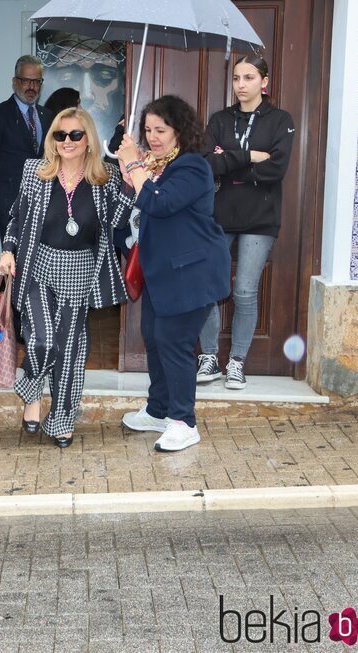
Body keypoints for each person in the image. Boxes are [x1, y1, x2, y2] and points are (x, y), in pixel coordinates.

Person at [0, 108, 134, 447]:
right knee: (43, 340)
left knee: (70, 349)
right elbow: (16, 217)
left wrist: (130, 182)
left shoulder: (105, 179)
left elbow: (116, 221)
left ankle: (61, 418)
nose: (67, 142)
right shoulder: (35, 171)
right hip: (39, 266)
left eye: (75, 135)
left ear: (89, 140)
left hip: (80, 270)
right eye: (60, 135)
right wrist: (7, 250)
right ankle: (31, 392)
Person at [116, 96, 231, 452]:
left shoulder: (193, 167)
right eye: (148, 129)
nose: (153, 137)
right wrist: (133, 172)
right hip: (160, 272)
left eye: (160, 130)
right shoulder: (156, 165)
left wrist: (135, 167)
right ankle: (158, 410)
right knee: (153, 337)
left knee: (176, 344)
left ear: (179, 131)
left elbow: (161, 203)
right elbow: (142, 204)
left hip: (191, 273)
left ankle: (184, 421)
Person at [197, 54, 295, 390]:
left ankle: (236, 362)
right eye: (237, 78)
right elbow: (208, 163)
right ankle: (208, 357)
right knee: (207, 287)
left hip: (260, 218)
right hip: (220, 215)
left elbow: (277, 169)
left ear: (264, 82)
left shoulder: (281, 120)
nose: (241, 85)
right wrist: (251, 157)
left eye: (249, 78)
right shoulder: (220, 119)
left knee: (244, 290)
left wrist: (231, 163)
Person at [0, 55, 54, 240]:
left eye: (36, 81)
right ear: (15, 81)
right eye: (26, 80)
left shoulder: (48, 116)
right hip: (8, 202)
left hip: (42, 202)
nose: (31, 87)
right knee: (14, 258)